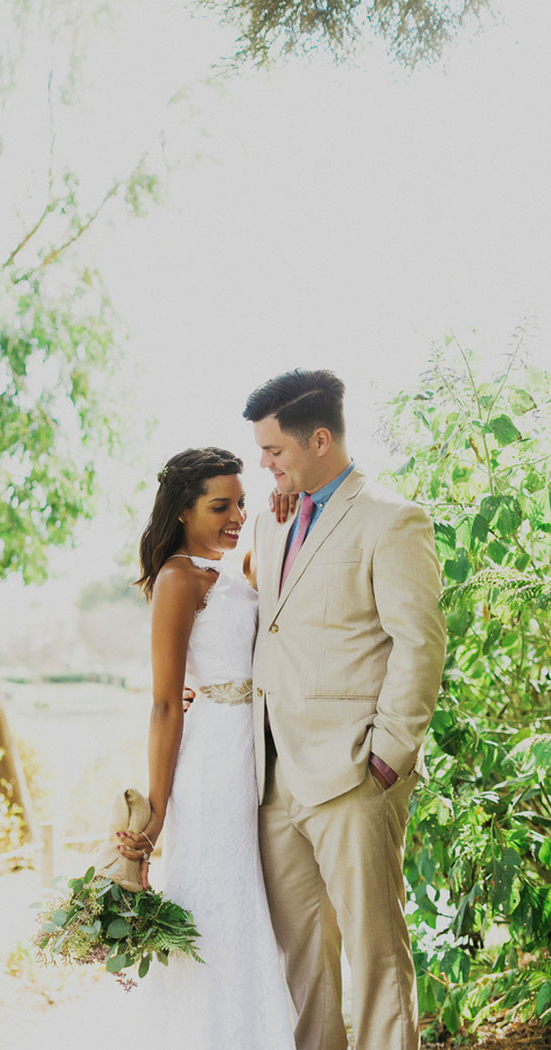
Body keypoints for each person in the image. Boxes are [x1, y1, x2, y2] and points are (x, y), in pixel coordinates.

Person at [244, 369, 447, 1050]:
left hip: (355, 775)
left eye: (274, 451)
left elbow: (419, 645)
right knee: (305, 966)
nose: (264, 464)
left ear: (320, 438)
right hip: (274, 782)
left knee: (377, 958)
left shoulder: (393, 521)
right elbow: (272, 626)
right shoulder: (274, 522)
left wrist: (388, 757)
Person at [119, 447, 296, 1050]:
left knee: (247, 908)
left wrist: (278, 514)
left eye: (241, 503)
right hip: (213, 763)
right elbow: (166, 703)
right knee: (219, 908)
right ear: (182, 512)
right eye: (221, 506)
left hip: (251, 749)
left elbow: (268, 580)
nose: (237, 515)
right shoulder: (177, 577)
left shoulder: (226, 569)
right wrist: (158, 811)